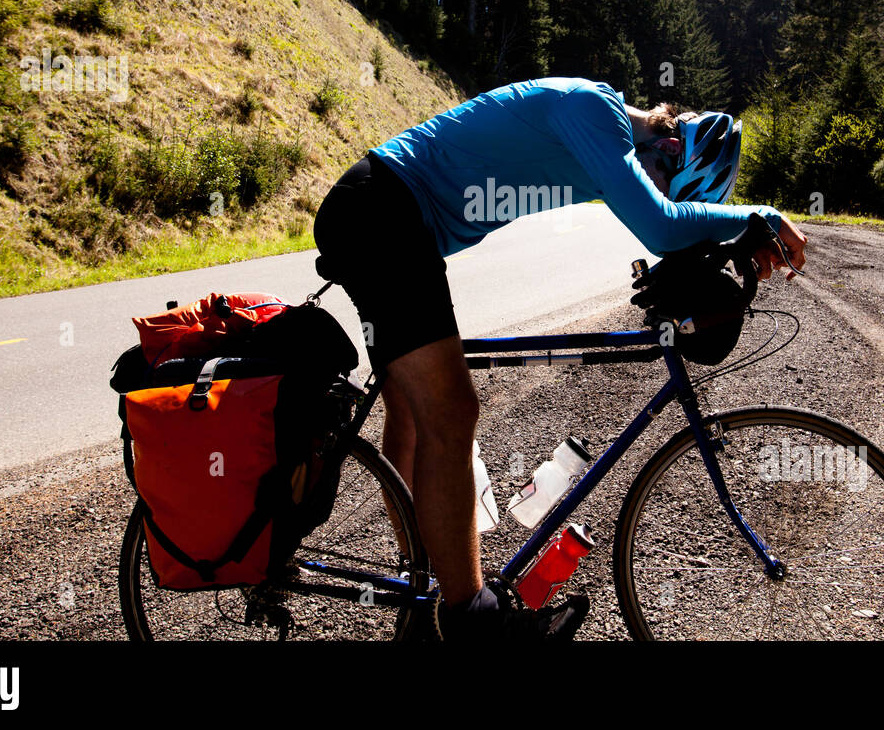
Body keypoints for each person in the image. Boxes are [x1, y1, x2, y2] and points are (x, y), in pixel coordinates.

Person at [312, 77, 807, 640]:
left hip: (393, 218)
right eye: (670, 184)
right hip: (383, 212)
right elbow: (660, 223)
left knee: (414, 418)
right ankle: (473, 620)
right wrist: (759, 215)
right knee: (451, 412)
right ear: (671, 147)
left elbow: (665, 227)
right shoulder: (594, 109)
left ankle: (423, 592)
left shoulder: (602, 130)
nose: (656, 189)